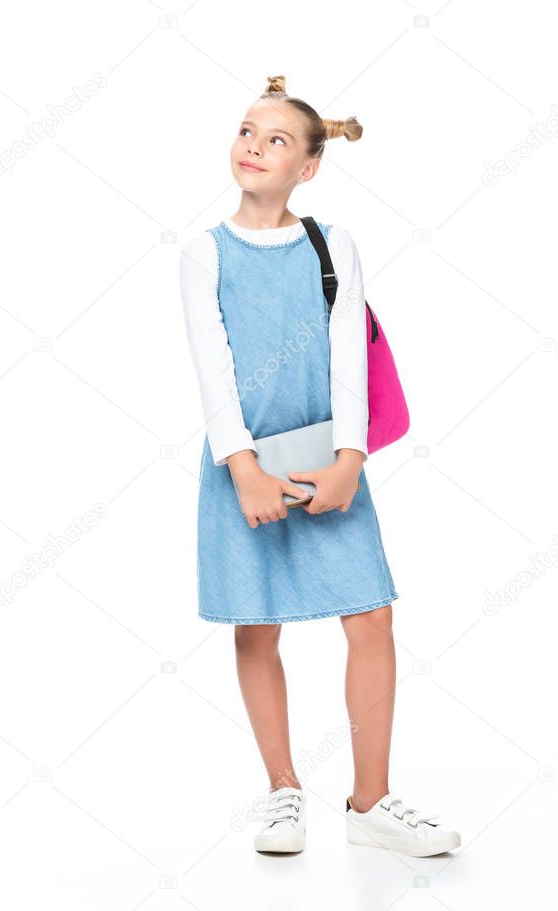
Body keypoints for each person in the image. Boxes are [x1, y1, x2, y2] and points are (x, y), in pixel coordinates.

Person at [179, 75, 460, 858]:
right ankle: (282, 790)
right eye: (245, 131)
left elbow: (345, 358)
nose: (252, 147)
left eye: (274, 140)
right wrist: (243, 471)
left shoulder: (329, 243)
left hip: (329, 464)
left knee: (371, 617)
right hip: (244, 469)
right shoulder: (204, 253)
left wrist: (349, 461)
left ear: (306, 166)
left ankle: (369, 799)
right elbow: (215, 370)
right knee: (256, 624)